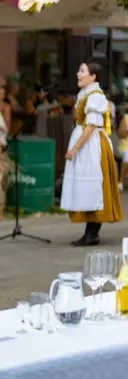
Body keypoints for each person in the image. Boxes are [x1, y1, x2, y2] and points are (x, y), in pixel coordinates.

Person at [60, 61, 123, 246]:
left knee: (95, 185)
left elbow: (92, 125)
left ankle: (93, 232)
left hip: (93, 145)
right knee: (85, 186)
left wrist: (76, 148)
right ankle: (90, 231)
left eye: (82, 71)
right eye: (79, 70)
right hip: (86, 142)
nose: (79, 74)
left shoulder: (96, 96)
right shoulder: (85, 94)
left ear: (93, 76)